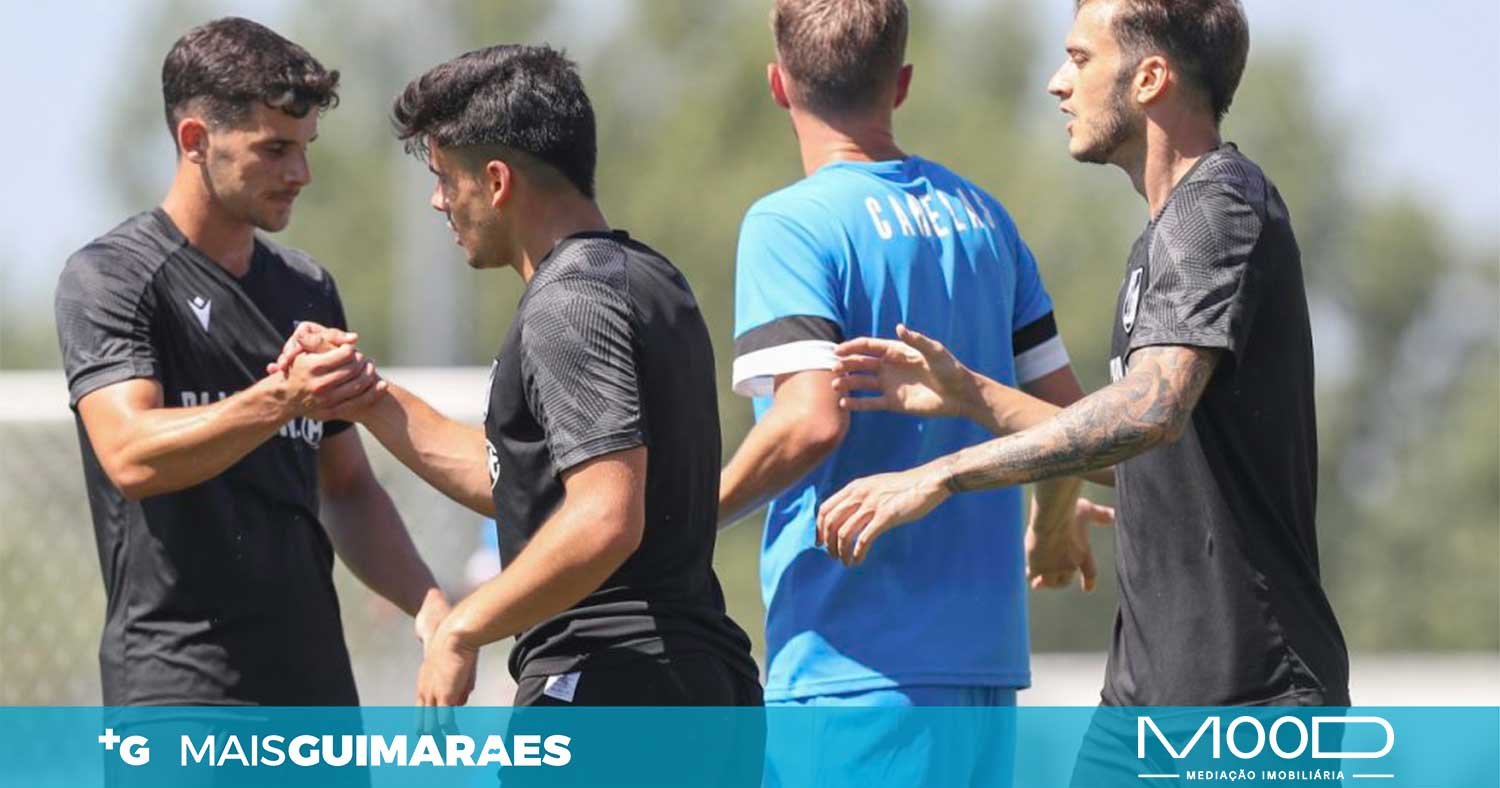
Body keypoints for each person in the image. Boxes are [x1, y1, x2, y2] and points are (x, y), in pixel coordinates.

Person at [819, 0, 1350, 718]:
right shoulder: (1162, 236)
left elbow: (1149, 412)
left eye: (1079, 58)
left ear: (1149, 78)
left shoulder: (1218, 206)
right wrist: (971, 395)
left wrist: (941, 474)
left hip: (1252, 696)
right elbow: (1140, 447)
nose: (1057, 83)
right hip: (1146, 694)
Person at [276, 45, 761, 713]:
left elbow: (605, 515)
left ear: (497, 182)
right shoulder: (647, 279)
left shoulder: (570, 302)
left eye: (445, 178)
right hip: (701, 685)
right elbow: (527, 483)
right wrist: (367, 397)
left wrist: (463, 627)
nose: (438, 201)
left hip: (611, 685)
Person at [716, 0, 1105, 784]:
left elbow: (808, 423)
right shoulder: (985, 220)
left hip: (852, 671)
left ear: (778, 84)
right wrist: (1053, 518)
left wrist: (677, 530)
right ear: (901, 83)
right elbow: (1075, 427)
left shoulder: (789, 225)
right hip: (984, 672)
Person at [53, 17, 446, 707]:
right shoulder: (113, 277)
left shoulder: (307, 289)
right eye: (275, 149)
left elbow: (347, 487)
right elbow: (131, 455)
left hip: (316, 693)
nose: (301, 174)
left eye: (305, 148)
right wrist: (282, 399)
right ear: (195, 141)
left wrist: (430, 606)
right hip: (179, 694)